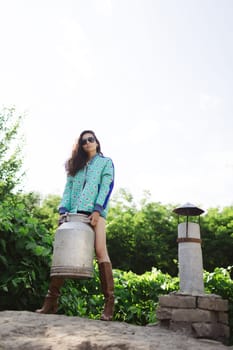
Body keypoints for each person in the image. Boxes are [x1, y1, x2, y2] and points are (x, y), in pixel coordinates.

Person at [36, 130, 115, 321]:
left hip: (95, 213)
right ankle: (51, 300)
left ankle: (109, 303)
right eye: (83, 141)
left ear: (97, 142)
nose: (87, 143)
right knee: (64, 252)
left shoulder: (106, 163)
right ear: (80, 145)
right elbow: (68, 189)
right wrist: (62, 211)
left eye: (91, 139)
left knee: (100, 251)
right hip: (72, 215)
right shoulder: (75, 166)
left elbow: (107, 186)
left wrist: (97, 210)